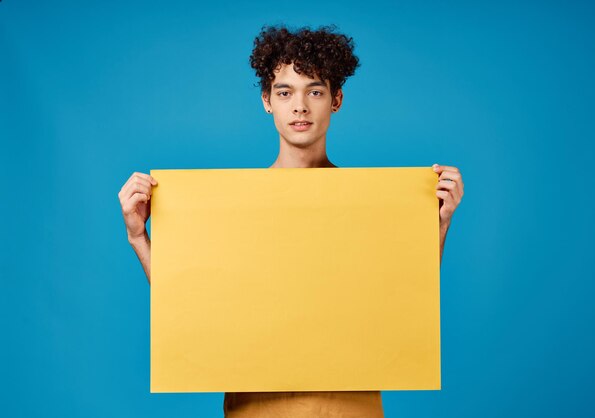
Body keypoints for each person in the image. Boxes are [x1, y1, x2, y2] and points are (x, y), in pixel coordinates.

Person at [118, 24, 464, 418]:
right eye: (285, 93)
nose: (300, 106)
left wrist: (436, 226)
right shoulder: (229, 207)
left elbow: (402, 298)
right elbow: (190, 302)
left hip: (351, 405)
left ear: (337, 99)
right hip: (256, 406)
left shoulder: (374, 202)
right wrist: (139, 238)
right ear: (267, 100)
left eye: (315, 91)